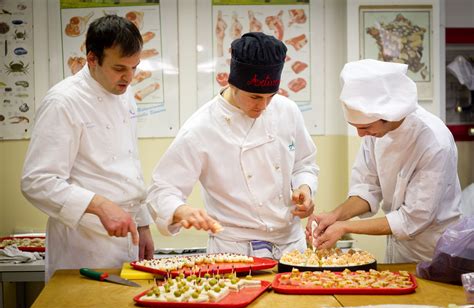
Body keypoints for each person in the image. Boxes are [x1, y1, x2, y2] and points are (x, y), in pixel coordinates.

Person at [147, 32, 319, 259]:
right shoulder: (202, 128)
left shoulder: (287, 110)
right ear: (232, 83)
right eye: (255, 97)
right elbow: (162, 189)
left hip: (291, 246)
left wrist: (305, 187)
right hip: (235, 252)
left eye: (271, 96)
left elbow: (304, 163)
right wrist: (181, 210)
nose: (264, 106)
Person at [21, 15, 154, 281]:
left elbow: (129, 165)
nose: (129, 78)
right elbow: (36, 181)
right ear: (92, 59)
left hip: (127, 238)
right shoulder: (63, 102)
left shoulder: (124, 94)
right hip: (83, 246)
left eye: (134, 67)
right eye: (119, 68)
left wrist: (142, 222)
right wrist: (100, 204)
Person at [307, 59, 462, 263]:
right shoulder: (375, 133)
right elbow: (367, 189)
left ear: (388, 115)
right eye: (355, 126)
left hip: (434, 251)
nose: (360, 134)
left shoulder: (434, 142)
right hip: (398, 251)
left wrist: (346, 227)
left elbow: (412, 219)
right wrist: (336, 215)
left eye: (365, 127)